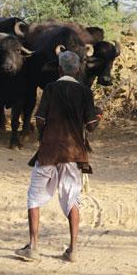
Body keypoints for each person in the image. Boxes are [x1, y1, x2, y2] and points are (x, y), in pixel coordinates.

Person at [16, 50, 101, 263]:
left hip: (49, 152)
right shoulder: (85, 92)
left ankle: (33, 246)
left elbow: (39, 118)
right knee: (72, 197)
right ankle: (72, 249)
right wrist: (98, 115)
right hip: (73, 153)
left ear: (60, 68)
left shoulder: (51, 89)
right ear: (79, 69)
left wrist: (44, 136)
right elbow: (91, 126)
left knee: (34, 197)